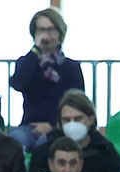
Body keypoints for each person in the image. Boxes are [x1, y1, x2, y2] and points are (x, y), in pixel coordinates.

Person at [10, 9, 85, 154]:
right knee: (13, 143)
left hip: (58, 126)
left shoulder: (70, 67)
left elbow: (78, 102)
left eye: (51, 30)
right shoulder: (27, 62)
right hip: (28, 127)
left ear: (60, 33)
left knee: (47, 147)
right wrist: (36, 51)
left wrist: (53, 125)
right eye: (41, 30)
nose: (46, 35)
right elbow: (17, 83)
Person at [26, 92, 120, 172]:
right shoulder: (44, 152)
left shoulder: (107, 152)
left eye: (78, 119)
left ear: (91, 119)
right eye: (66, 120)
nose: (72, 124)